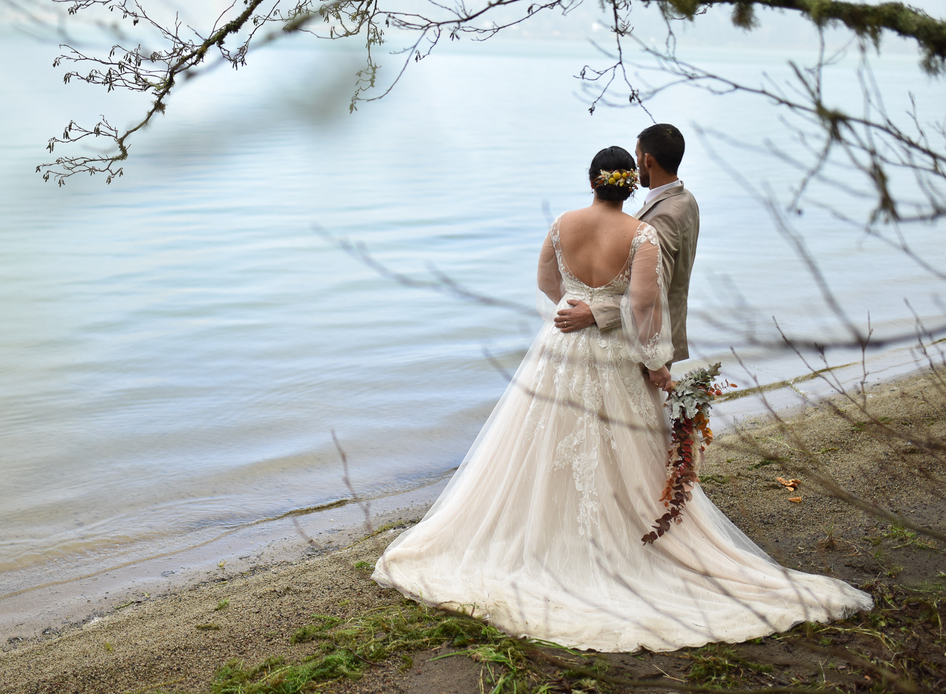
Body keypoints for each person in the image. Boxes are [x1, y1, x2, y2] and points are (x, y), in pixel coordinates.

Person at [371, 147, 871, 652]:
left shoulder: (562, 223)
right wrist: (656, 362)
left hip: (561, 349)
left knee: (542, 442)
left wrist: (576, 306)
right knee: (624, 449)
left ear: (592, 180)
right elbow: (644, 305)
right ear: (631, 184)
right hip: (613, 357)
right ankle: (619, 542)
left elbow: (545, 282)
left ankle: (543, 536)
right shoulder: (641, 234)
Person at [555, 124, 698, 363]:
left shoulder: (661, 217)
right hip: (659, 331)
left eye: (638, 155)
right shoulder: (685, 198)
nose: (636, 161)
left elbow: (652, 290)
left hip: (646, 340)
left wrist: (593, 312)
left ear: (648, 160)